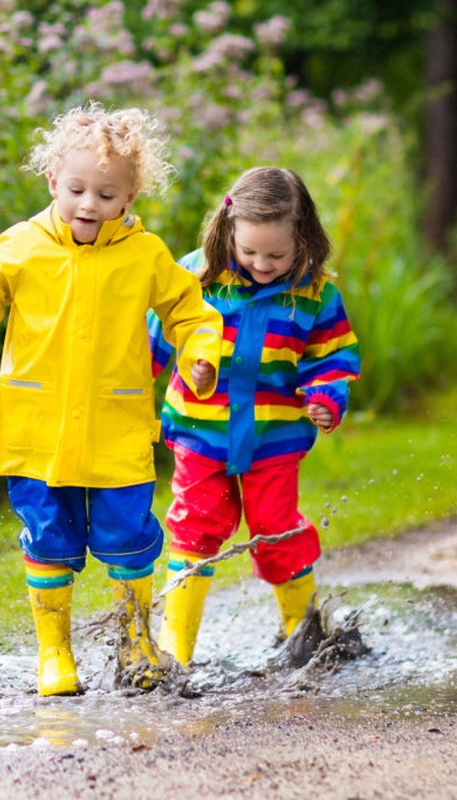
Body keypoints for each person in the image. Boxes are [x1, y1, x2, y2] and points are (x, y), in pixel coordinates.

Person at [0, 102, 223, 695]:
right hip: (36, 430)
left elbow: (190, 312)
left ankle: (136, 643)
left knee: (127, 537)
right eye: (76, 190)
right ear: (52, 182)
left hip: (115, 428)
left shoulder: (145, 255)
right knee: (48, 538)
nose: (89, 204)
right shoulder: (20, 246)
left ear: (130, 196)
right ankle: (55, 654)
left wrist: (201, 355)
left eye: (106, 193)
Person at [149, 166, 361, 666]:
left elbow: (333, 359)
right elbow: (152, 340)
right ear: (228, 231)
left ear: (303, 238)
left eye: (277, 254)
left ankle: (303, 635)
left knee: (276, 529)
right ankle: (175, 647)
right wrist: (133, 387)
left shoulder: (314, 296)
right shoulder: (197, 277)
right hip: (201, 434)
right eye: (249, 252)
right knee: (195, 527)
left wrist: (326, 399)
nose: (262, 264)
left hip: (274, 438)